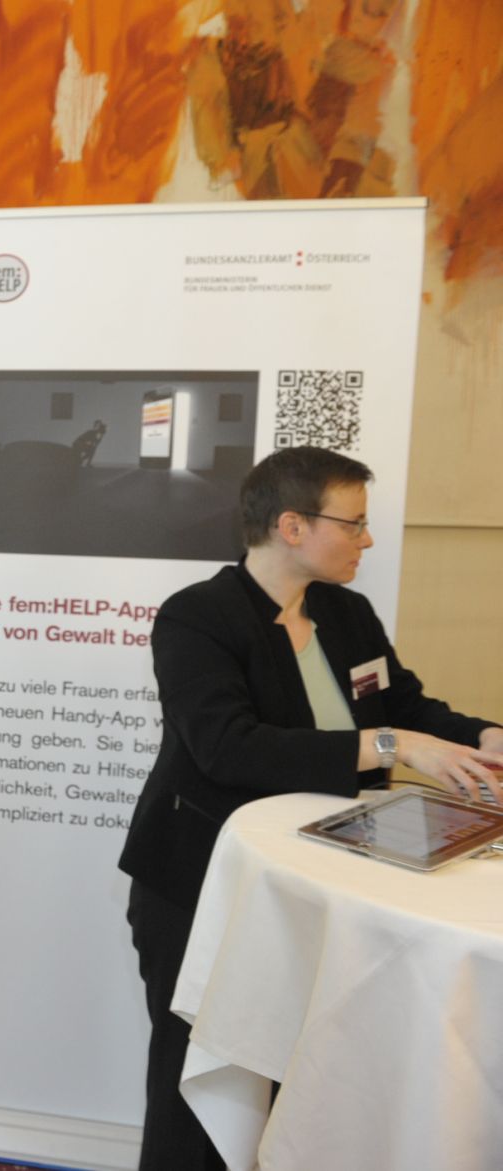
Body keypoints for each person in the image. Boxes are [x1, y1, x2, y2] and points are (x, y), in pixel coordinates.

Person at [118, 444, 503, 1171]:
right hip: (206, 887)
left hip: (325, 886)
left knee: (309, 1083)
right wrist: (394, 744)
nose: (368, 539)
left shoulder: (345, 612)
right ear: (292, 525)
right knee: (198, 1087)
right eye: (353, 523)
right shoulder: (196, 617)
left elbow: (408, 704)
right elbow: (228, 748)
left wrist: (483, 737)